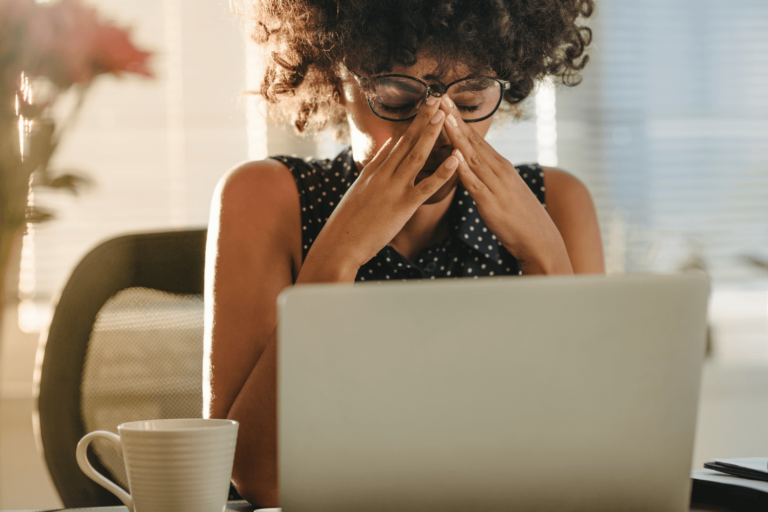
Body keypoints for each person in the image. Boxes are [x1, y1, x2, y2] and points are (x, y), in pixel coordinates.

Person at [205, 0, 602, 506]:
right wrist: (338, 255)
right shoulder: (265, 198)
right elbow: (260, 477)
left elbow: (590, 462)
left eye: (473, 93)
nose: (435, 127)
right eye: (395, 93)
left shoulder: (559, 204)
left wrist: (545, 256)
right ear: (336, 76)